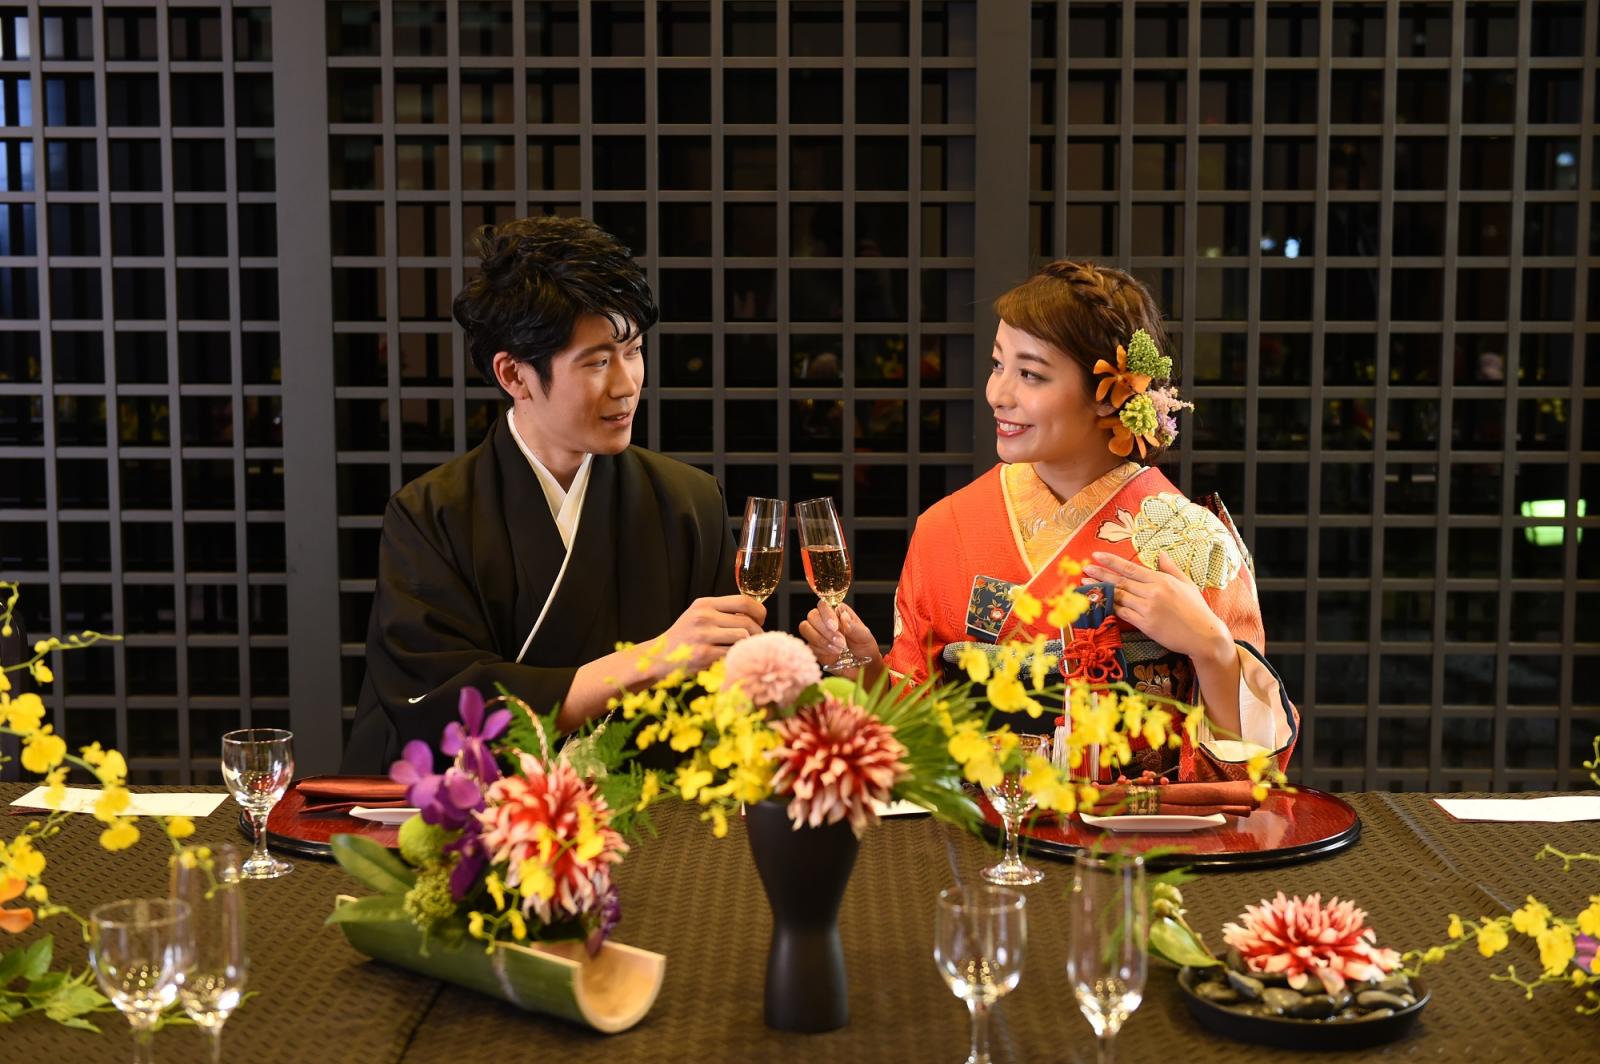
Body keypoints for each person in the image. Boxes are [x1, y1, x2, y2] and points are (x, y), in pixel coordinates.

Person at [799, 260, 1298, 782]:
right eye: (997, 365)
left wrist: (1211, 648)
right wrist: (866, 671)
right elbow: (920, 742)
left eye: (1030, 374)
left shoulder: (1194, 543)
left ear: (1109, 394)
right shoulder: (946, 529)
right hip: (980, 827)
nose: (998, 394)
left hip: (1138, 829)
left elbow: (1250, 783)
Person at [343, 216, 764, 772]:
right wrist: (651, 661)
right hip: (473, 815)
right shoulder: (430, 514)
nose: (627, 385)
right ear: (514, 376)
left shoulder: (688, 502)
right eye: (597, 361)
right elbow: (437, 705)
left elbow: (728, 698)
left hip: (650, 815)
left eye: (634, 350)